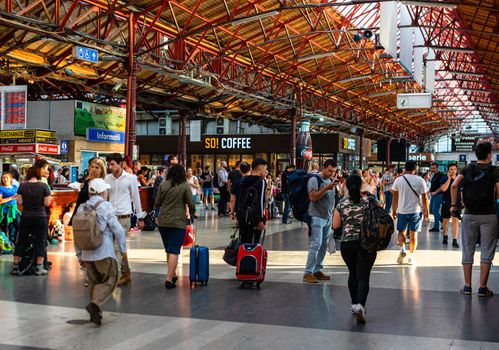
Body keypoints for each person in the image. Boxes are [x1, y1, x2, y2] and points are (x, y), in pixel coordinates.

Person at [75, 178, 126, 326]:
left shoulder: (82, 207)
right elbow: (117, 229)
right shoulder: (106, 206)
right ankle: (96, 304)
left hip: (86, 253)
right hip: (104, 252)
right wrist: (123, 249)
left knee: (93, 281)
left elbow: (77, 232)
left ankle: (95, 313)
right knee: (111, 278)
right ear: (103, 191)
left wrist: (79, 254)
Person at [450, 142, 499, 297]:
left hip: (469, 214)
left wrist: (453, 205)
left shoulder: (467, 169)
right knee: (487, 250)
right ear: (489, 155)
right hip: (489, 215)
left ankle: (467, 286)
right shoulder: (494, 170)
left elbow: (454, 186)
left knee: (467, 248)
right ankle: (483, 288)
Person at [333, 174, 376, 324]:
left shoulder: (341, 204)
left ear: (346, 185)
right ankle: (361, 306)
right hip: (366, 243)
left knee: (353, 273)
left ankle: (353, 304)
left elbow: (335, 226)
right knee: (363, 275)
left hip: (347, 243)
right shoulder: (368, 202)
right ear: (360, 186)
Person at [105, 153, 145, 286]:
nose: (110, 167)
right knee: (116, 246)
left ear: (120, 163)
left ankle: (112, 277)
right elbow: (105, 198)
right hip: (110, 217)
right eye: (109, 164)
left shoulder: (131, 178)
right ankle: (126, 273)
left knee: (116, 246)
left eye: (113, 164)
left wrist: (140, 218)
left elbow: (136, 198)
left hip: (124, 218)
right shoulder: (107, 179)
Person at [154, 164, 195, 289]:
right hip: (178, 222)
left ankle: (173, 274)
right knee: (174, 250)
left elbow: (157, 202)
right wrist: (192, 213)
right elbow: (191, 203)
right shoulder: (184, 186)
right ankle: (168, 279)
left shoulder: (163, 185)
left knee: (169, 249)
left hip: (163, 222)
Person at [11, 160, 51, 275]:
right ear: (39, 174)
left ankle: (15, 266)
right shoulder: (44, 186)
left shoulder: (22, 186)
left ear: (28, 174)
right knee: (41, 241)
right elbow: (47, 203)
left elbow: (19, 202)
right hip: (40, 217)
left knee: (21, 241)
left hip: (26, 217)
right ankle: (39, 267)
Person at [303, 159, 338, 284]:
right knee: (316, 244)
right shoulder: (314, 180)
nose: (331, 174)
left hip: (327, 217)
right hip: (316, 216)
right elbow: (312, 197)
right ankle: (308, 272)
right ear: (324, 168)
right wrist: (326, 188)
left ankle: (317, 270)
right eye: (329, 171)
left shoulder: (330, 180)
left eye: (333, 171)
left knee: (323, 245)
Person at [391, 160, 429, 265]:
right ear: (415, 169)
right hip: (416, 211)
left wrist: (393, 210)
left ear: (405, 169)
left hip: (402, 211)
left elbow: (394, 197)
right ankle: (411, 257)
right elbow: (425, 198)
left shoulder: (398, 180)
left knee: (401, 232)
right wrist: (427, 212)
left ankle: (402, 249)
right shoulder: (421, 180)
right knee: (413, 235)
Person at [237, 158, 267, 244]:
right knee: (254, 243)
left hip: (243, 216)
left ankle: (244, 257)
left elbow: (240, 199)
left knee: (243, 241)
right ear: (259, 169)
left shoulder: (243, 180)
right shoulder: (261, 181)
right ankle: (252, 257)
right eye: (265, 169)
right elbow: (261, 201)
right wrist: (261, 220)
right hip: (255, 217)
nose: (266, 172)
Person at [70, 158, 107, 225]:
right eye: (92, 167)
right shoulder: (86, 181)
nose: (93, 169)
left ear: (101, 170)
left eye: (97, 167)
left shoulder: (101, 183)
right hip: (79, 212)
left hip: (91, 216)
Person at [439, 164, 460, 248]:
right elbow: (443, 189)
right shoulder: (444, 178)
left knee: (455, 221)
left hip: (456, 203)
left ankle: (455, 240)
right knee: (445, 221)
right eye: (451, 169)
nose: (453, 171)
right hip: (446, 202)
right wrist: (449, 179)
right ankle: (445, 237)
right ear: (448, 170)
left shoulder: (459, 178)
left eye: (455, 169)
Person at [0, 172, 20, 242]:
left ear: (11, 179)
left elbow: (18, 199)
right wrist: (11, 197)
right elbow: (0, 201)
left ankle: (15, 243)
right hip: (5, 211)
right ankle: (5, 246)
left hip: (14, 211)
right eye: (3, 177)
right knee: (5, 228)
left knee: (18, 227)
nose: (5, 179)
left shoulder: (15, 187)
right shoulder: (1, 188)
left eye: (7, 177)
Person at [429, 162, 446, 232]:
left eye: (434, 168)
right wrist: (430, 190)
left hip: (439, 195)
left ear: (437, 168)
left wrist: (435, 192)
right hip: (433, 195)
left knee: (435, 210)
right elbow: (433, 184)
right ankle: (441, 222)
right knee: (431, 210)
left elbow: (442, 186)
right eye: (431, 168)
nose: (432, 169)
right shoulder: (433, 175)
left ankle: (437, 226)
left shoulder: (441, 175)